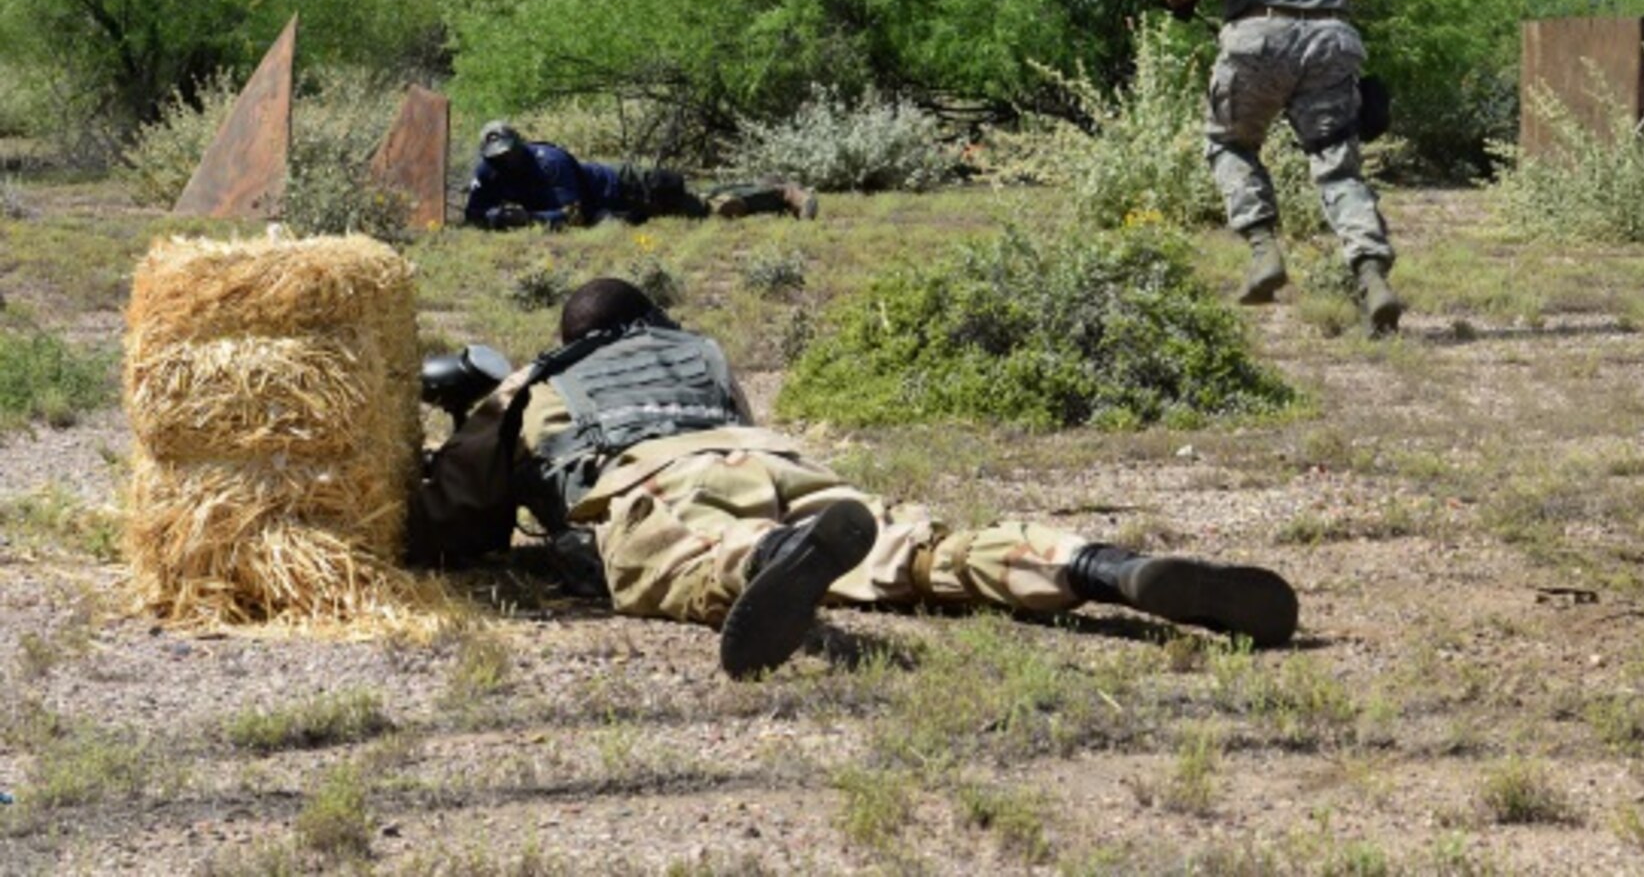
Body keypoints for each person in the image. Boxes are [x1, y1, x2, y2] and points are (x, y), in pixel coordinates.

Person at [410, 277, 1300, 679]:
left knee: (679, 557)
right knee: (922, 548)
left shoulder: (542, 380)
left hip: (654, 479)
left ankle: (767, 561)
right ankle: (1096, 566)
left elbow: (452, 518)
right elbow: (738, 424)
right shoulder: (703, 358)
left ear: (571, 337)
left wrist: (476, 424)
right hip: (783, 461)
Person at [1161, 0, 1402, 335]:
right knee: (1337, 167)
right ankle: (1372, 276)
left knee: (1230, 144)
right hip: (1332, 40)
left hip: (1260, 38)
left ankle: (1263, 250)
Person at [463, 120, 816, 231]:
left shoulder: (548, 160)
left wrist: (528, 219)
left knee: (712, 205)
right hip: (606, 209)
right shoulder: (489, 171)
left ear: (520, 146)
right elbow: (472, 215)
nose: (505, 161)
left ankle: (781, 192)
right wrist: (495, 218)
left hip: (624, 187)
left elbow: (573, 215)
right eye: (498, 157)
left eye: (509, 153)